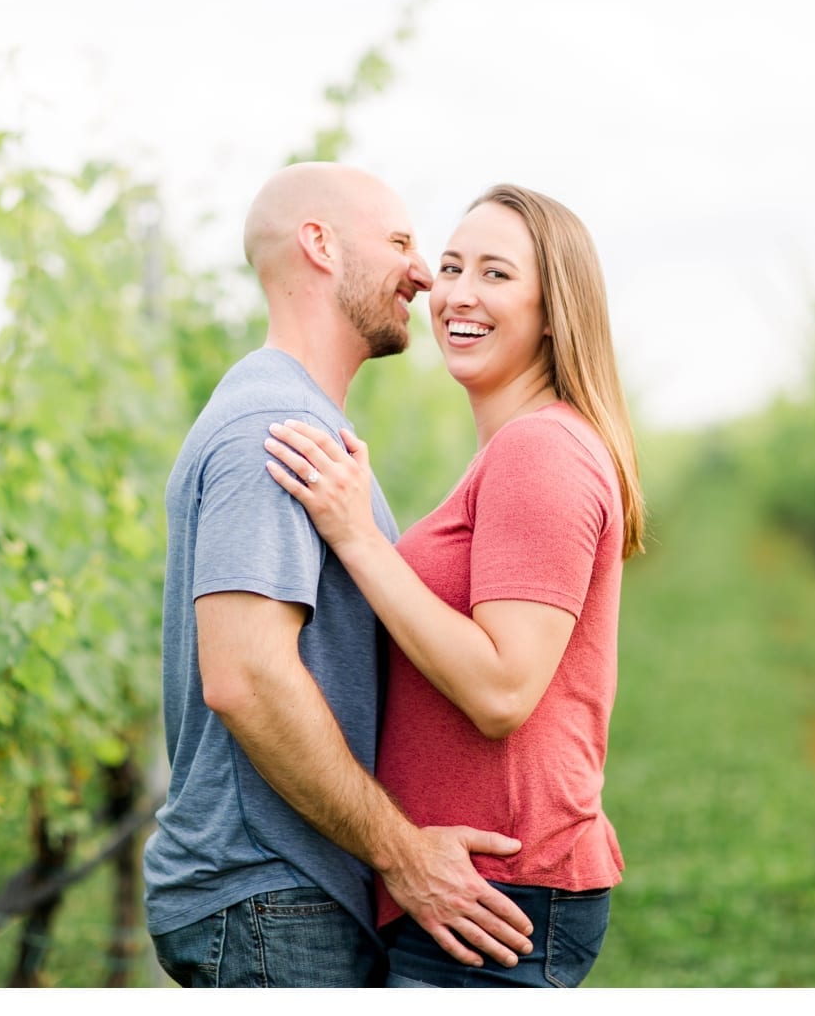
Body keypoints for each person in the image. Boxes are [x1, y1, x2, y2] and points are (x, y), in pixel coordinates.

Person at [143, 162, 536, 989]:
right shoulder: (273, 430)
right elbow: (246, 676)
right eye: (400, 242)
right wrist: (404, 854)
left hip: (283, 895)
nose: (426, 275)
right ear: (319, 245)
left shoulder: (301, 421)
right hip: (271, 900)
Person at [264, 183, 644, 987]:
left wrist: (360, 540)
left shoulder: (540, 450)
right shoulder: (518, 448)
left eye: (496, 274)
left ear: (553, 310)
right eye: (451, 265)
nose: (457, 294)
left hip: (495, 887)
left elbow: (504, 688)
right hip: (479, 887)